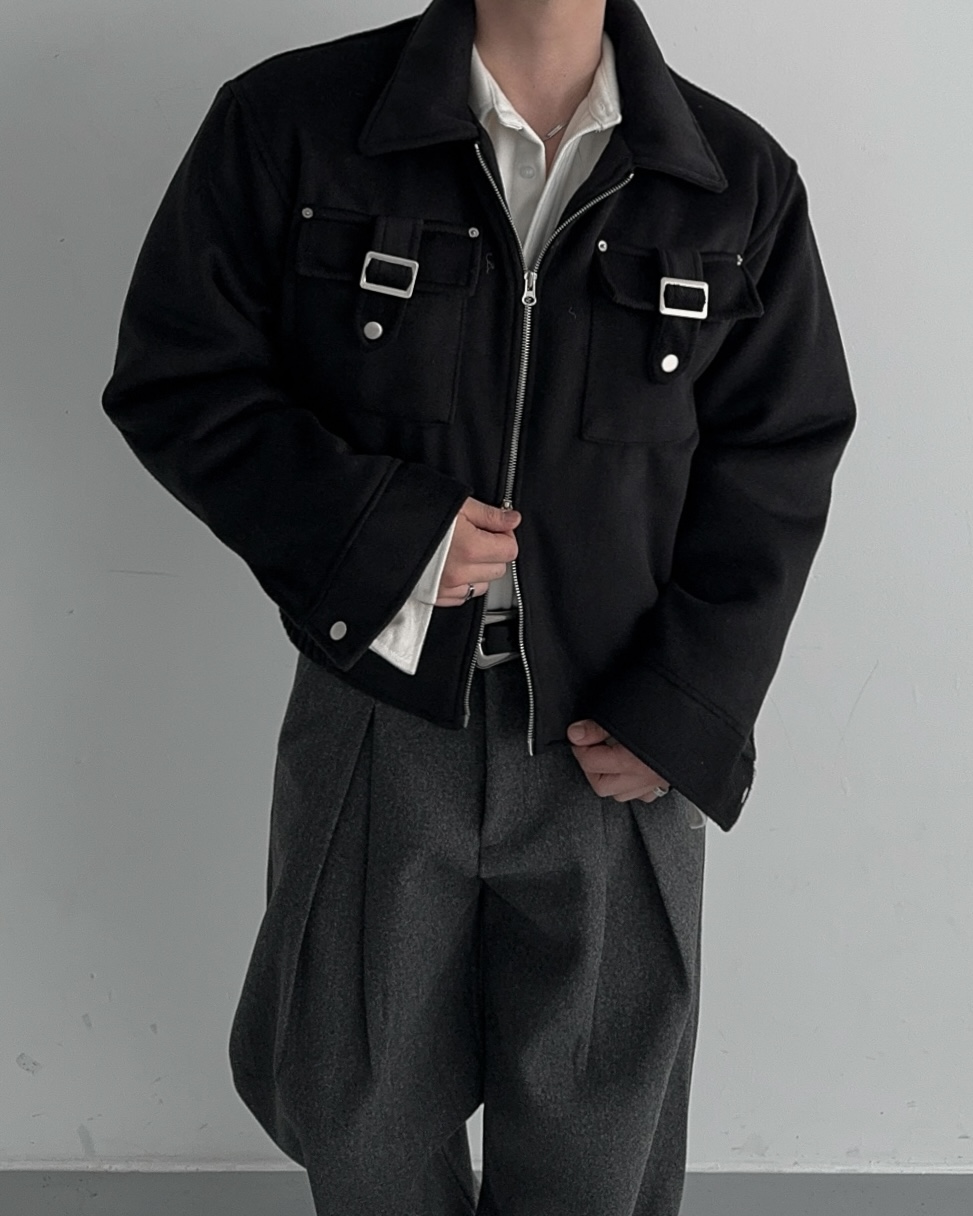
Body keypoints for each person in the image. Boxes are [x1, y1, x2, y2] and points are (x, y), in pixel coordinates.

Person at [101, 0, 856, 1212]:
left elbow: (778, 456)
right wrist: (381, 535)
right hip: (377, 714)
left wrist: (687, 703)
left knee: (600, 1138)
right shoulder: (289, 125)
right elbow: (180, 377)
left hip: (615, 741)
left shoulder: (732, 178)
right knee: (355, 1108)